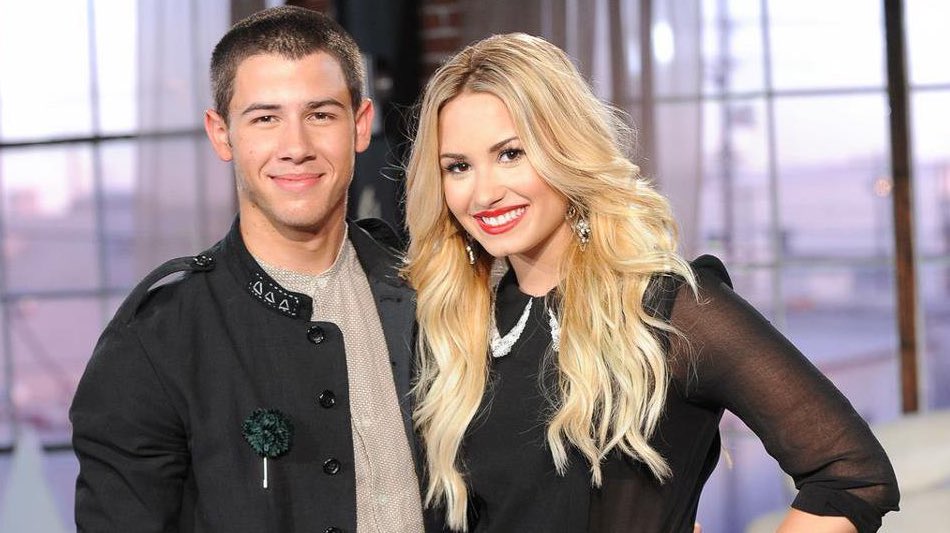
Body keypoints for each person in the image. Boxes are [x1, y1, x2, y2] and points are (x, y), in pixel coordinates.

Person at [402, 33, 899, 533]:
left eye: (511, 154)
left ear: (565, 148)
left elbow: (851, 476)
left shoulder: (668, 310)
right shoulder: (459, 326)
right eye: (458, 167)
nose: (483, 193)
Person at [70, 7, 425, 532]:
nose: (296, 147)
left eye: (320, 115)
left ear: (360, 125)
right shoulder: (157, 338)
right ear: (222, 134)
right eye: (265, 118)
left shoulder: (431, 292)